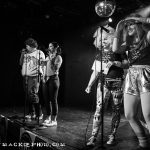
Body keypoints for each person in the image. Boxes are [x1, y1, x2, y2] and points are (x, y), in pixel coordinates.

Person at [85, 25, 128, 147]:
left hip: (117, 84)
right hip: (102, 84)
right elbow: (95, 71)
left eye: (105, 39)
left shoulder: (119, 51)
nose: (103, 42)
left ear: (111, 38)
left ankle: (112, 135)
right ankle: (93, 136)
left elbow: (127, 64)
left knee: (116, 110)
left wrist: (115, 63)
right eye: (101, 40)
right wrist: (89, 85)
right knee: (98, 111)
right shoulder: (99, 54)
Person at [112, 11, 150, 150]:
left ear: (139, 25)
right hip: (132, 76)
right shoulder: (127, 43)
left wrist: (133, 18)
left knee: (148, 115)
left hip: (147, 75)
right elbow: (115, 49)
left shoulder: (147, 36)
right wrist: (118, 27)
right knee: (129, 114)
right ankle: (143, 143)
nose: (128, 27)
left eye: (131, 25)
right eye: (127, 26)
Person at [19, 38, 45, 120]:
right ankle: (31, 113)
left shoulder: (39, 53)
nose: (26, 47)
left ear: (31, 46)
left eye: (27, 46)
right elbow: (20, 63)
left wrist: (43, 76)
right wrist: (22, 54)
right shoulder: (26, 53)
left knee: (32, 94)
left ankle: (39, 113)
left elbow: (43, 64)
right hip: (25, 76)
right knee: (28, 95)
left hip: (34, 76)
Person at [41, 42, 62, 127]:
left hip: (54, 79)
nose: (49, 48)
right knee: (46, 99)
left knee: (53, 99)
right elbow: (43, 67)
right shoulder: (47, 57)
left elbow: (55, 69)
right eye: (48, 46)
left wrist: (50, 58)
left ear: (56, 48)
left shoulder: (58, 57)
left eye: (51, 46)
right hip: (46, 79)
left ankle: (54, 119)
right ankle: (48, 117)